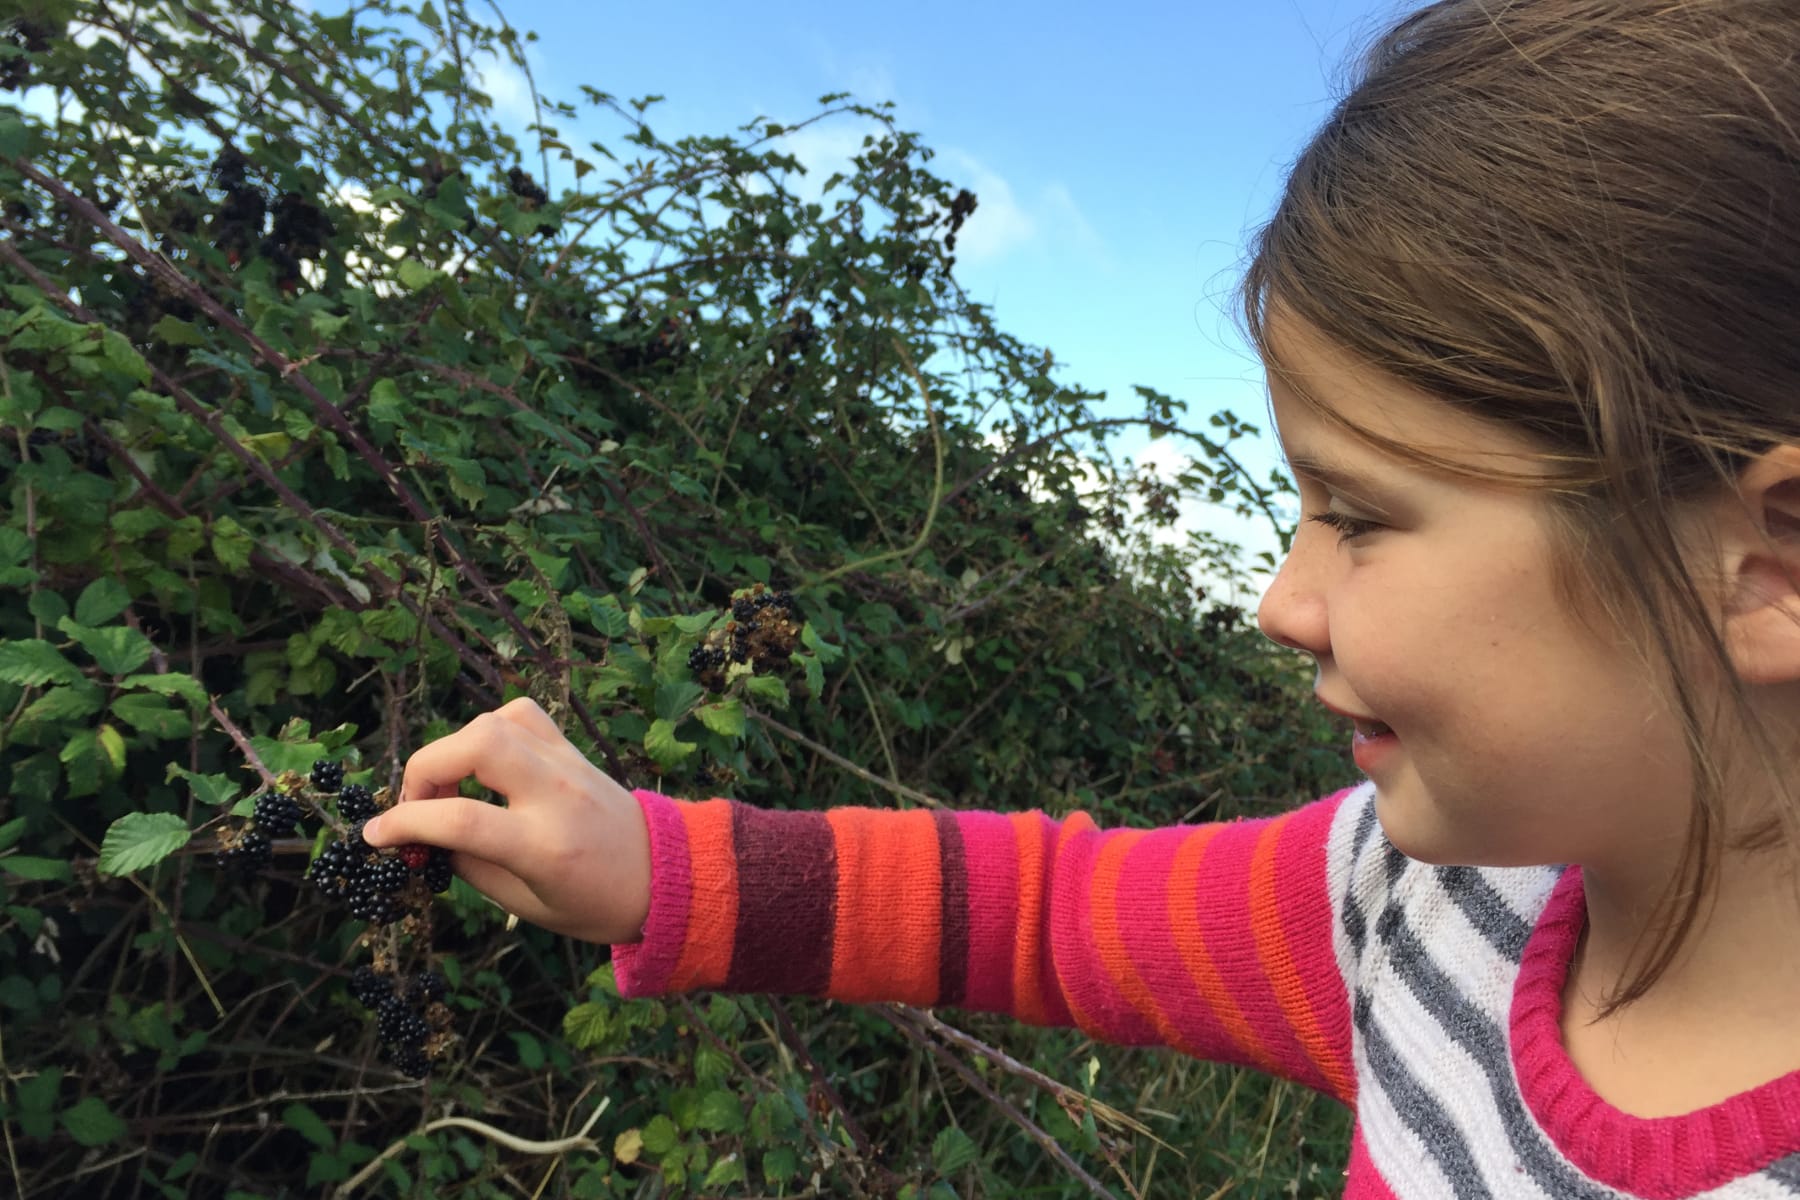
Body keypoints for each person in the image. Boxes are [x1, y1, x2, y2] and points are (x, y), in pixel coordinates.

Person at [362, 0, 1800, 1192]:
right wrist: (657, 867)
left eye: (1361, 516)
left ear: (1768, 567)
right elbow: (1046, 914)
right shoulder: (1421, 896)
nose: (1281, 602)